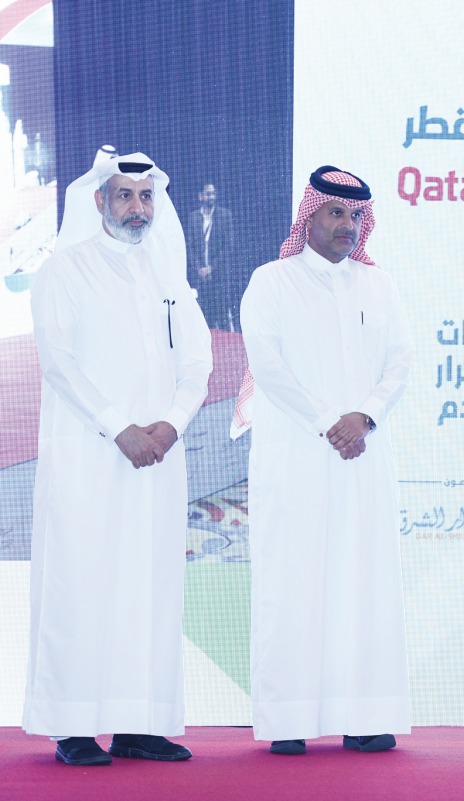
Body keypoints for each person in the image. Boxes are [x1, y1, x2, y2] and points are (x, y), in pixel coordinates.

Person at [24, 153, 212, 766]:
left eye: (145, 197)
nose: (137, 208)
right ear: (99, 201)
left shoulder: (168, 278)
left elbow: (197, 363)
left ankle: (140, 722)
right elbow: (61, 365)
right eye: (124, 196)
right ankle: (72, 726)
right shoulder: (65, 270)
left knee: (150, 585)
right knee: (82, 581)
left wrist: (171, 424)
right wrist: (120, 430)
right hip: (90, 456)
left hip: (158, 458)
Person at [239, 166, 413, 756]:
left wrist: (362, 417)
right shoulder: (272, 280)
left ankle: (362, 713)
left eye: (355, 215)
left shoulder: (378, 286)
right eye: (335, 212)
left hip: (362, 453)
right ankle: (288, 716)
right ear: (308, 215)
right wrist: (327, 422)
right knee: (293, 580)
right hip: (296, 456)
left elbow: (400, 363)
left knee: (362, 581)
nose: (347, 224)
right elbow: (268, 367)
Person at [185, 182, 239, 330]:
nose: (211, 197)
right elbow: (190, 247)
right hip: (200, 278)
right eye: (208, 194)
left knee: (222, 319)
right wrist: (199, 268)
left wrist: (211, 268)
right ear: (201, 196)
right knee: (204, 320)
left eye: (213, 194)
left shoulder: (225, 215)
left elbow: (228, 247)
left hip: (219, 276)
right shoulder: (193, 217)